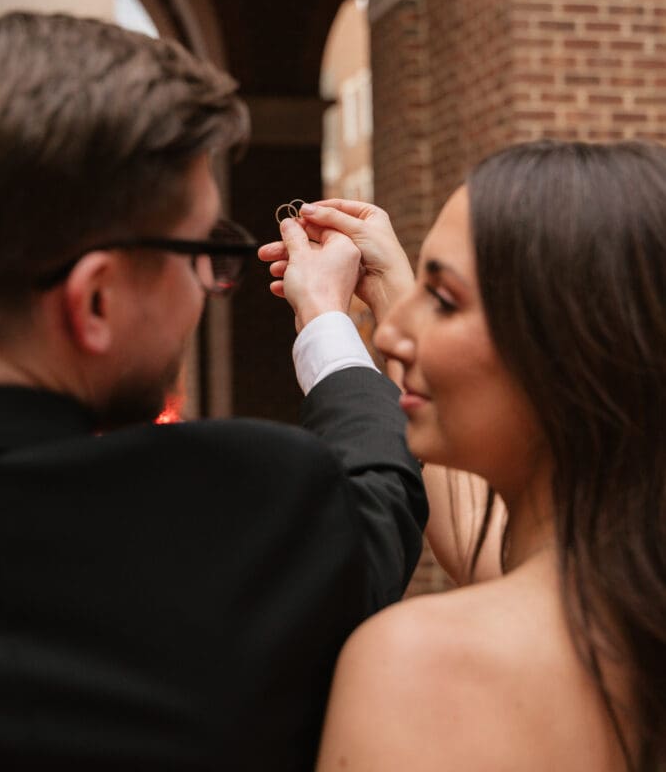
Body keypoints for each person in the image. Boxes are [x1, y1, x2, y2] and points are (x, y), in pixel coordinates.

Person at [0, 11, 427, 770]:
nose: (207, 286)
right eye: (201, 253)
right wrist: (325, 321)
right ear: (95, 301)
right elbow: (377, 502)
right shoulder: (231, 510)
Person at [261, 140, 666, 772]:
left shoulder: (417, 663)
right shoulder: (627, 597)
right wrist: (395, 286)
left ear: (571, 348)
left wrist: (324, 326)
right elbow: (493, 553)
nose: (392, 337)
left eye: (444, 300)